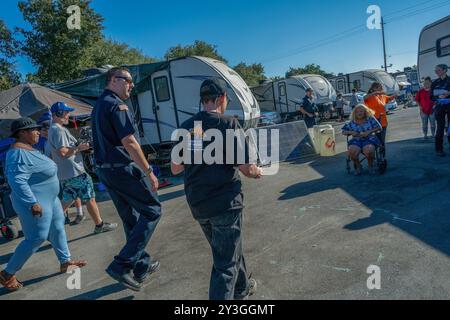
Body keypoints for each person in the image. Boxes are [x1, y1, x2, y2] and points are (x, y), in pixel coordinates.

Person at [171, 78, 261, 300]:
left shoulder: (189, 127)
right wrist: (258, 171)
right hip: (224, 203)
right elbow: (246, 168)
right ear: (222, 98)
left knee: (226, 251)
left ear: (202, 101)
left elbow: (175, 168)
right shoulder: (229, 124)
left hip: (199, 203)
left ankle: (242, 287)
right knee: (225, 263)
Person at [92, 67, 161, 292]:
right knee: (152, 210)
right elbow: (129, 142)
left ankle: (140, 265)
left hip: (106, 170)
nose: (131, 84)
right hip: (121, 169)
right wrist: (148, 170)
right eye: (127, 80)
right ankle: (121, 265)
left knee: (130, 217)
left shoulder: (100, 104)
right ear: (113, 80)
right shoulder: (116, 105)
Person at [0, 118, 86, 292]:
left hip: (50, 200)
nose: (39, 132)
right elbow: (17, 182)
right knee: (36, 237)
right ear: (22, 133)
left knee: (58, 228)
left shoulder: (29, 149)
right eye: (34, 129)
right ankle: (7, 274)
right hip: (35, 203)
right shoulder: (17, 154)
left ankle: (65, 262)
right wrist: (32, 203)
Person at [47, 102, 117, 233]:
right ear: (59, 113)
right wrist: (80, 147)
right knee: (89, 197)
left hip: (66, 173)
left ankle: (48, 229)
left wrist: (77, 147)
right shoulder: (59, 130)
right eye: (66, 112)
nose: (69, 115)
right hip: (75, 172)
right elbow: (62, 152)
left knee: (66, 201)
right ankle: (99, 225)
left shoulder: (53, 129)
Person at [342, 104, 382, 176]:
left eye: (361, 111)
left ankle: (370, 165)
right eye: (357, 112)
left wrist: (368, 132)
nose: (359, 113)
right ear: (354, 113)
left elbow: (379, 127)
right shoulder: (352, 122)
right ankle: (358, 166)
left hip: (369, 138)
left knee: (368, 150)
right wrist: (351, 132)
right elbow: (343, 131)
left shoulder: (370, 118)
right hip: (357, 139)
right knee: (352, 151)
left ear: (365, 112)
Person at [430, 64, 450, 157]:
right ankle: (439, 149)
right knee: (440, 128)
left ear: (444, 70)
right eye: (435, 70)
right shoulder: (434, 83)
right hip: (439, 107)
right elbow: (431, 97)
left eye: (438, 70)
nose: (436, 72)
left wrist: (448, 94)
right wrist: (438, 96)